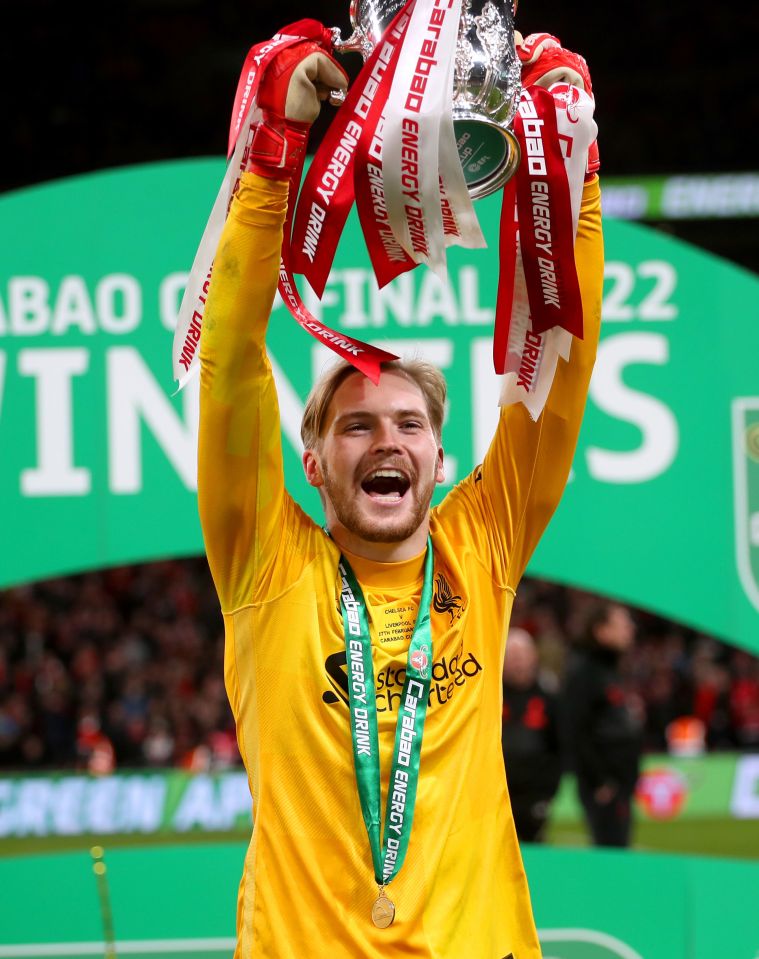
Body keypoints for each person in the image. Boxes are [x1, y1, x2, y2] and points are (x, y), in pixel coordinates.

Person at [197, 20, 604, 959]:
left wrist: (571, 178)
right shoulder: (265, 560)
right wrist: (269, 160)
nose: (388, 440)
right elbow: (230, 366)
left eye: (409, 424)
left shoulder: (483, 546)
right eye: (356, 424)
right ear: (312, 462)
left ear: (439, 454)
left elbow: (561, 361)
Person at [561, 602, 643, 847]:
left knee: (618, 850)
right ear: (601, 631)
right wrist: (599, 781)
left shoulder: (609, 670)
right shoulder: (586, 673)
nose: (631, 629)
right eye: (622, 623)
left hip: (618, 783)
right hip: (606, 786)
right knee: (612, 854)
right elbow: (575, 730)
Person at [501, 627, 562, 842]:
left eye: (522, 656)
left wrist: (548, 792)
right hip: (497, 794)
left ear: (533, 658)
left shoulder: (548, 697)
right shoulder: (491, 696)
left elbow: (559, 747)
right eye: (512, 657)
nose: (517, 663)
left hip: (535, 796)